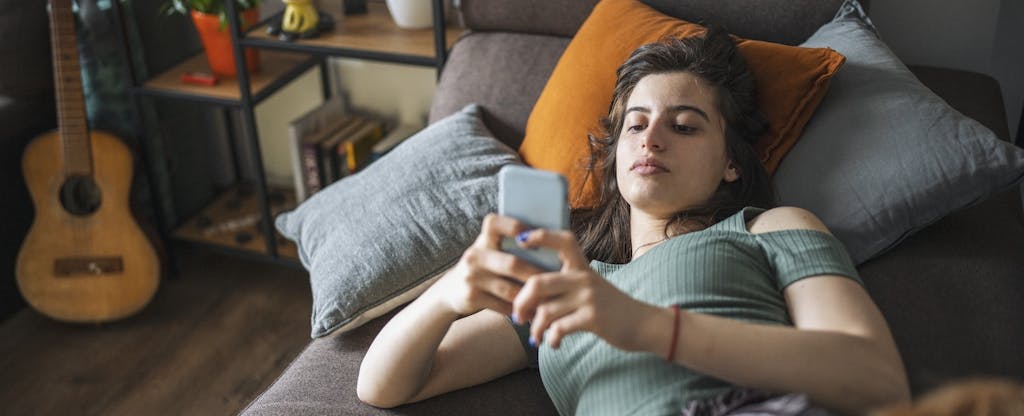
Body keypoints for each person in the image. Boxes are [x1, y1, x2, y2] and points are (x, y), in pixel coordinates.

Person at [357, 27, 911, 415]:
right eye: (635, 124)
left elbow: (877, 382)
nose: (651, 138)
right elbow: (384, 387)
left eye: (686, 126)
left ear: (732, 163)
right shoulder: (565, 289)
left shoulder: (769, 227)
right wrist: (451, 292)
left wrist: (647, 326)